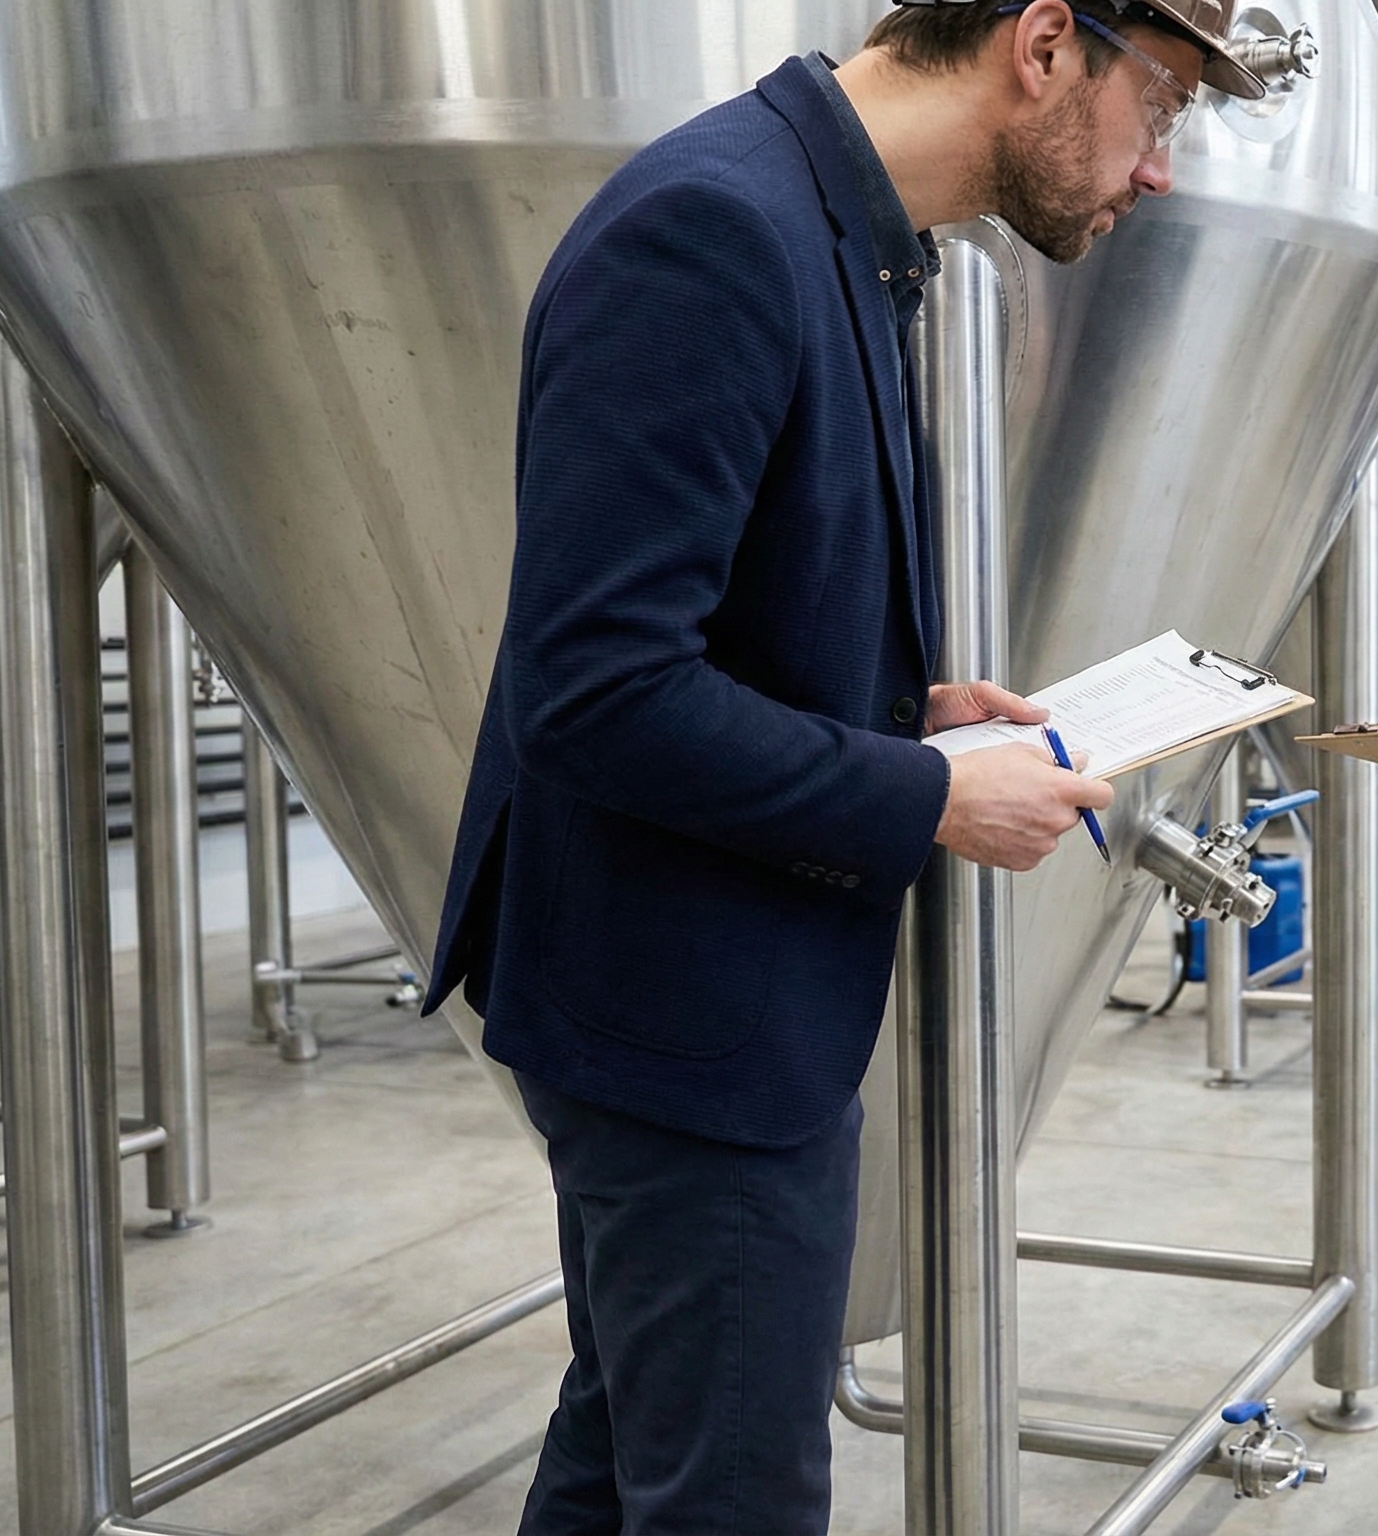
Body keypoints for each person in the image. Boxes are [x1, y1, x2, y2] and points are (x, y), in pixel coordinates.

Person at [420, 4, 1268, 1529]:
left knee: (629, 1462)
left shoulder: (843, 236)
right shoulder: (717, 230)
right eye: (1167, 103)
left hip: (700, 999)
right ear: (1047, 42)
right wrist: (927, 794)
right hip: (683, 1023)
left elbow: (717, 616)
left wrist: (897, 710)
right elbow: (596, 687)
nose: (1160, 169)